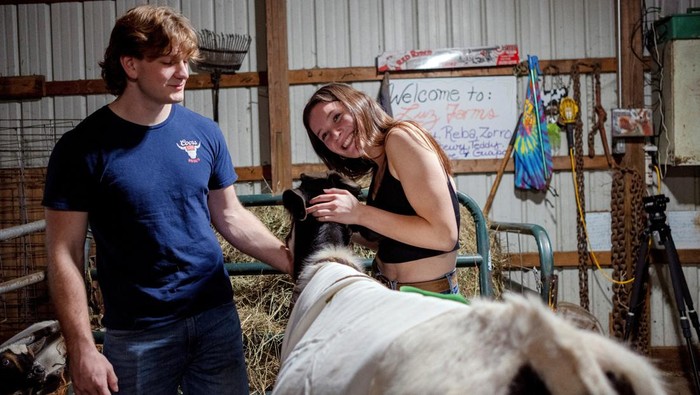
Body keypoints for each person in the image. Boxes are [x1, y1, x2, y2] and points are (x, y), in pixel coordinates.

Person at [42, 5, 292, 394]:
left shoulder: (204, 132)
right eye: (168, 62)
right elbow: (64, 252)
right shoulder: (82, 149)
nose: (184, 73)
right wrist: (82, 347)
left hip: (215, 319)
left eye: (186, 62)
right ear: (130, 65)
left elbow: (230, 216)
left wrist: (296, 262)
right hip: (138, 332)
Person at [302, 83, 461, 295]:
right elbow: (397, 239)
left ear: (357, 103)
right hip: (390, 294)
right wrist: (341, 219)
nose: (336, 134)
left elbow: (443, 235)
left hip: (427, 298)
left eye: (337, 117)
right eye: (325, 136)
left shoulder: (401, 138)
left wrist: (359, 213)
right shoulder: (379, 164)